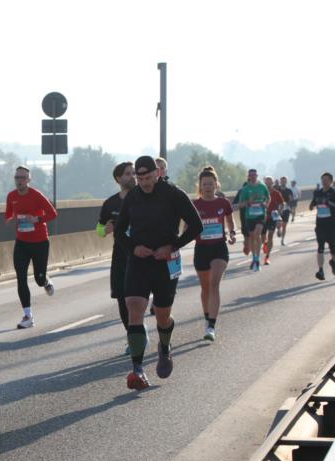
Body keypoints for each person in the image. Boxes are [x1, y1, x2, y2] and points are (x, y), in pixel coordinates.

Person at [115, 156, 202, 390]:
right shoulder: (132, 197)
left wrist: (172, 246)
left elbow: (197, 225)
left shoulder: (173, 194)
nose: (144, 182)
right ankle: (137, 370)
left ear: (157, 173)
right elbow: (119, 232)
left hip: (165, 262)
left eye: (148, 177)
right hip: (139, 261)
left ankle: (164, 347)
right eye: (140, 178)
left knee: (162, 316)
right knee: (134, 305)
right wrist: (134, 248)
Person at [98, 162, 148, 353]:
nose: (132, 176)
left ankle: (139, 332)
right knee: (121, 299)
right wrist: (105, 230)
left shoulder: (144, 198)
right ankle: (133, 335)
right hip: (120, 257)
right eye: (128, 174)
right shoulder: (110, 203)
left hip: (141, 257)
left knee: (136, 298)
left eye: (134, 173)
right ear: (118, 179)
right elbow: (99, 228)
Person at [4, 166, 58, 329]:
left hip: (40, 242)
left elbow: (53, 214)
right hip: (22, 242)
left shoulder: (37, 195)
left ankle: (46, 281)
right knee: (21, 277)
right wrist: (11, 219)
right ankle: (28, 316)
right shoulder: (11, 196)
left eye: (22, 177)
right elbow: (8, 214)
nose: (19, 180)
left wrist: (37, 219)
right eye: (17, 177)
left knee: (38, 279)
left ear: (28, 180)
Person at [192, 167, 236, 342]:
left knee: (214, 284)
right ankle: (206, 318)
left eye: (211, 183)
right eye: (205, 184)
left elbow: (231, 222)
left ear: (216, 184)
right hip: (201, 249)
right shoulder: (195, 205)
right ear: (200, 186)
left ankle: (211, 325)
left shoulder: (223, 203)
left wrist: (232, 234)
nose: (208, 187)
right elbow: (187, 227)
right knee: (205, 288)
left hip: (219, 248)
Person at [308, 172, 335, 280]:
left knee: (332, 247)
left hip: (331, 224)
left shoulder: (334, 193)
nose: (324, 181)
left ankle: (333, 261)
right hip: (320, 224)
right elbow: (313, 203)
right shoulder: (317, 193)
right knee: (320, 247)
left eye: (326, 180)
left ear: (331, 181)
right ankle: (321, 270)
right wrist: (311, 205)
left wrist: (330, 204)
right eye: (322, 179)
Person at [236, 168, 270, 271]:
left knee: (257, 234)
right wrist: (248, 203)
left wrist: (266, 204)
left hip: (260, 215)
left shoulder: (262, 186)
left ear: (257, 175)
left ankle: (257, 258)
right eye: (251, 175)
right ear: (249, 176)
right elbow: (240, 205)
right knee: (252, 237)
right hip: (249, 216)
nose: (253, 176)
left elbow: (268, 197)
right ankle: (254, 258)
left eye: (255, 175)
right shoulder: (246, 189)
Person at [263, 177, 285, 265]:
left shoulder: (276, 193)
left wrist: (280, 210)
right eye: (267, 182)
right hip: (263, 217)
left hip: (272, 216)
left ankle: (267, 257)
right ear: (265, 183)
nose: (268, 184)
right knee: (263, 238)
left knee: (270, 236)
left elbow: (282, 203)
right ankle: (265, 244)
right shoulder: (262, 192)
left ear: (272, 183)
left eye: (270, 182)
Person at [278, 176, 294, 245]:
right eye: (282, 181)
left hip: (286, 208)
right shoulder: (277, 190)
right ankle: (278, 230)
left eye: (284, 181)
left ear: (286, 182)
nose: (283, 182)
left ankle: (282, 240)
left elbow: (291, 200)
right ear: (280, 182)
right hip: (278, 209)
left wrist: (291, 208)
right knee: (278, 223)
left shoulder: (289, 190)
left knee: (284, 225)